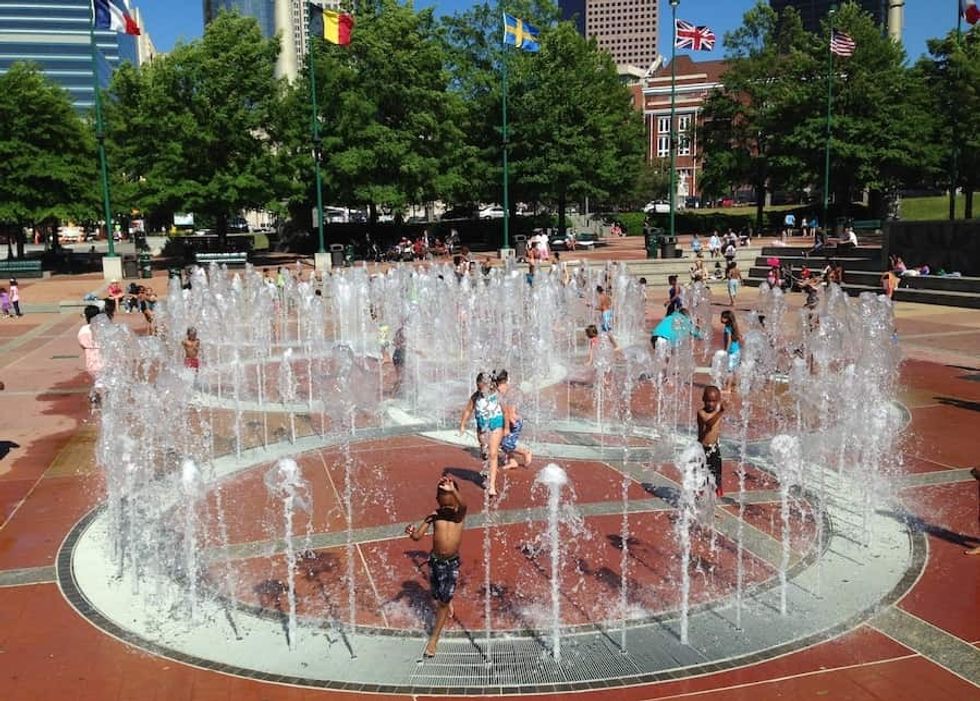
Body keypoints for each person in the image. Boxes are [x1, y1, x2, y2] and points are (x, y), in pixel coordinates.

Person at [405, 475, 467, 658]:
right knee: (435, 594)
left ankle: (434, 639)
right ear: (438, 499)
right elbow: (418, 537)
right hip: (435, 562)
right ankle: (445, 601)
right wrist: (411, 532)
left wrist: (452, 489)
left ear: (456, 496)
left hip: (451, 564)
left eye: (450, 493)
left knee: (442, 602)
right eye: (442, 493)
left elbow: (463, 505)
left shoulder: (459, 515)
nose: (446, 497)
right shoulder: (433, 516)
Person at [459, 372, 505, 497]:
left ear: (488, 385)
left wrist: (507, 427)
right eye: (478, 387)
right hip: (482, 427)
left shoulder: (496, 394)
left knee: (493, 453)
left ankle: (492, 486)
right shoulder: (475, 397)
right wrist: (463, 424)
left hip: (496, 425)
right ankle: (487, 469)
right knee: (485, 453)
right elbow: (468, 410)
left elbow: (505, 408)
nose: (479, 389)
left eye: (481, 387)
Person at [495, 370, 532, 470]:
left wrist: (507, 427)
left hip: (514, 422)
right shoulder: (508, 390)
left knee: (506, 443)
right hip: (508, 420)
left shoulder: (512, 392)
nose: (498, 388)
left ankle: (525, 452)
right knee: (501, 442)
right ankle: (513, 461)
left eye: (500, 385)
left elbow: (509, 411)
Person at [697, 385, 725, 497]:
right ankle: (700, 492)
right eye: (708, 401)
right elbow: (709, 423)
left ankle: (717, 490)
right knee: (703, 471)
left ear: (718, 401)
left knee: (717, 471)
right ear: (703, 400)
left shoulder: (717, 413)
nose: (710, 404)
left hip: (714, 447)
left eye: (713, 401)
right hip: (703, 448)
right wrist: (720, 412)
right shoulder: (701, 413)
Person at [77, 305, 103, 406]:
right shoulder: (102, 329)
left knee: (98, 380)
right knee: (104, 382)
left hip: (90, 361)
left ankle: (95, 400)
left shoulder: (83, 330)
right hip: (103, 359)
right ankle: (97, 399)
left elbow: (82, 344)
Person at [720, 310, 742, 392]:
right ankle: (736, 387)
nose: (721, 319)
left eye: (723, 317)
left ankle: (728, 388)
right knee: (736, 369)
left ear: (727, 319)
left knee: (729, 370)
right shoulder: (735, 326)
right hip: (737, 350)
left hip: (731, 351)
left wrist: (726, 351)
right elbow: (740, 337)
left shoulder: (727, 328)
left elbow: (728, 340)